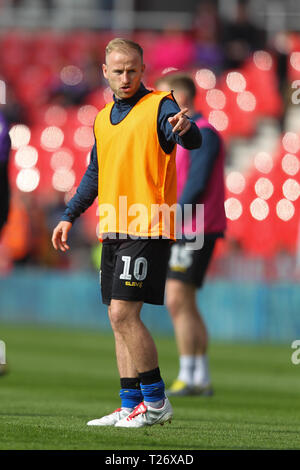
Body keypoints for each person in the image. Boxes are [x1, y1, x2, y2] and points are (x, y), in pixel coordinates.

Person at [51, 38, 202, 427]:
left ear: (143, 69)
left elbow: (190, 137)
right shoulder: (102, 119)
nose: (125, 77)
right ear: (105, 72)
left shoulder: (160, 106)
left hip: (148, 225)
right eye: (118, 71)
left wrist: (186, 130)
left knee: (123, 314)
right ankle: (129, 403)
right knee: (115, 317)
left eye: (132, 70)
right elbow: (95, 174)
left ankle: (156, 402)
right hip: (114, 228)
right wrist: (70, 214)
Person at [155, 73, 226, 396]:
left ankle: (187, 375)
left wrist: (171, 218)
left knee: (175, 299)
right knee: (187, 303)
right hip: (192, 226)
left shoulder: (205, 134)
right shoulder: (189, 135)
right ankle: (201, 376)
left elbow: (195, 185)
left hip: (194, 227)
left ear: (182, 98)